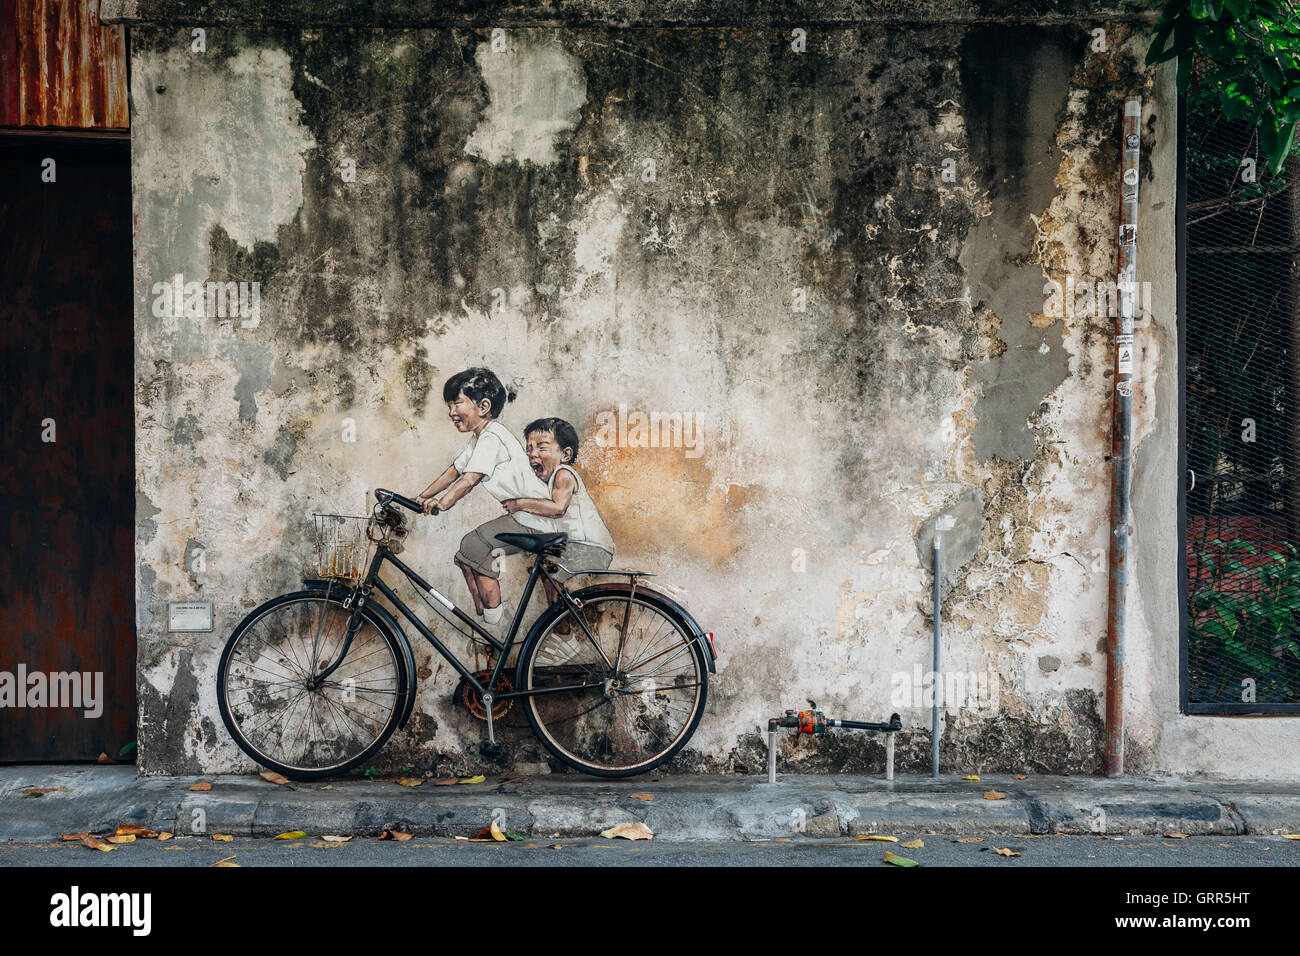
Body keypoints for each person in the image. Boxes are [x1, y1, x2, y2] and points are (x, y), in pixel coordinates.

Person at [414, 368, 556, 627]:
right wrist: (419, 498)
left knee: (474, 545)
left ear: (483, 406)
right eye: (449, 405)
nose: (451, 412)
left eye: (457, 403)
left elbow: (469, 479)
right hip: (524, 517)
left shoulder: (492, 436)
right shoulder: (480, 438)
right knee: (465, 556)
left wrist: (441, 503)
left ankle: (494, 621)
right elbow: (453, 472)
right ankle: (482, 617)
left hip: (533, 518)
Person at [503, 417, 615, 611]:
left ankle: (562, 626)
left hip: (590, 546)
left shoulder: (564, 473)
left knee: (550, 571)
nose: (532, 454)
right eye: (529, 448)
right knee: (548, 573)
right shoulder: (551, 479)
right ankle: (562, 619)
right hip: (583, 546)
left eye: (541, 447)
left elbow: (557, 508)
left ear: (565, 454)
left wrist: (520, 504)